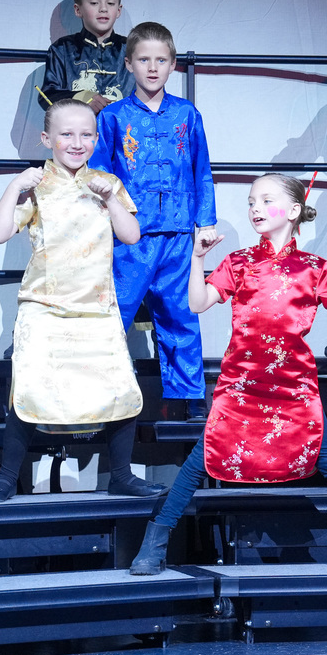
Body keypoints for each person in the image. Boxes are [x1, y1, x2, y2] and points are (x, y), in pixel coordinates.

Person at [130, 174, 327, 575]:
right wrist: (197, 259)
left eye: (265, 200)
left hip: (293, 384)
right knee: (201, 459)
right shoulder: (238, 262)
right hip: (241, 382)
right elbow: (198, 303)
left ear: (293, 211)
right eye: (251, 202)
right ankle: (154, 545)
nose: (256, 208)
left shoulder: (313, 267)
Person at [0, 98, 166, 502]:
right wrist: (14, 187)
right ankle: (5, 478)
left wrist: (110, 198)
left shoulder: (106, 182)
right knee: (30, 390)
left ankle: (121, 475)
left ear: (96, 139)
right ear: (47, 139)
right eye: (66, 134)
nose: (77, 143)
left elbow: (131, 235)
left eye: (86, 135)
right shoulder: (36, 183)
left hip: (96, 307)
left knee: (120, 388)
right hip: (45, 307)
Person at [91, 22, 216, 420]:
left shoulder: (186, 114)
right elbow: (99, 173)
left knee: (182, 315)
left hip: (177, 234)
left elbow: (201, 169)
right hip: (130, 237)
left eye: (161, 60)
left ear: (173, 65)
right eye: (143, 59)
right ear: (128, 63)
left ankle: (188, 396)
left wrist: (206, 221)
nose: (152, 68)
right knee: (116, 314)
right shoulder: (113, 117)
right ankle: (100, 394)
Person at [39, 0, 136, 114]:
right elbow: (47, 96)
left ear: (118, 10)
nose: (103, 9)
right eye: (94, 3)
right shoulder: (62, 49)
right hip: (77, 127)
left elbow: (150, 94)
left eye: (110, 3)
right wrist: (81, 97)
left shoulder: (133, 49)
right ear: (78, 10)